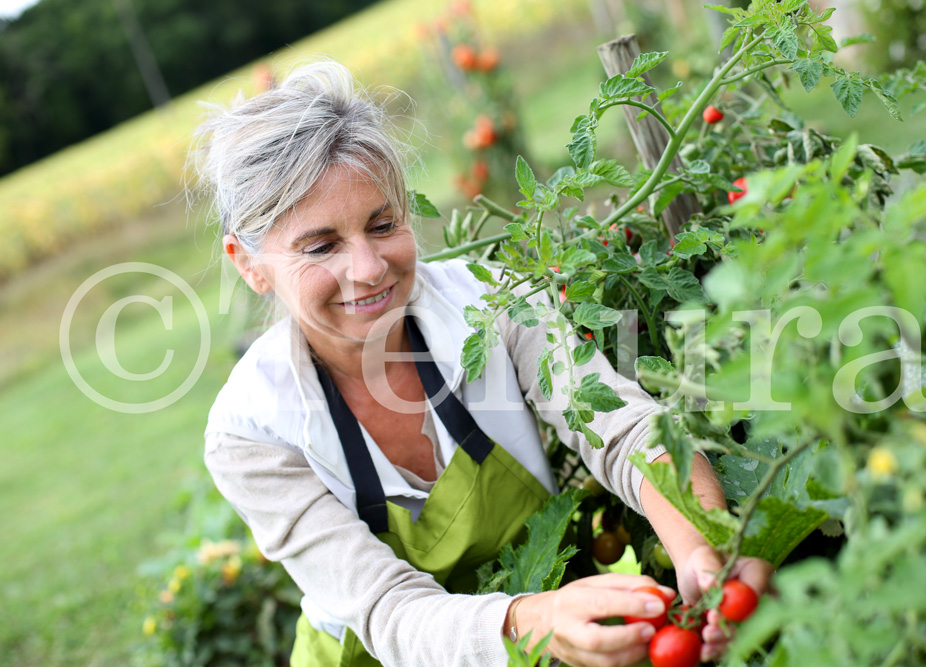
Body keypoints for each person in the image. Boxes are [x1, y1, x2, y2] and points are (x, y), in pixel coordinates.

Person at [195, 60, 772, 667]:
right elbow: (388, 611)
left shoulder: (492, 303)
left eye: (383, 224)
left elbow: (623, 431)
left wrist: (703, 542)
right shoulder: (250, 432)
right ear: (250, 264)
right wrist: (534, 619)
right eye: (321, 247)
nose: (367, 268)